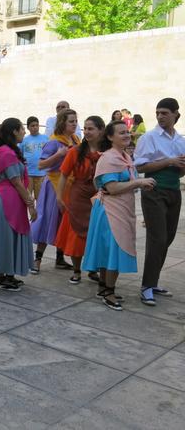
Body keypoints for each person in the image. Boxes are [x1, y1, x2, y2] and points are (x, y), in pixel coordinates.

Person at [82, 121, 156, 310]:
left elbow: (125, 183)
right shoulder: (109, 158)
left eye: (127, 132)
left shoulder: (124, 156)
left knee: (109, 249)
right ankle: (108, 291)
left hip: (120, 209)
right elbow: (112, 187)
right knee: (113, 249)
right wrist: (138, 183)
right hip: (110, 210)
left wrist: (139, 184)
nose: (126, 135)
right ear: (110, 137)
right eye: (121, 132)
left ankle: (103, 287)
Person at [134, 98, 185, 306]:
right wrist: (169, 161)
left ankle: (153, 282)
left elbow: (180, 172)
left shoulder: (180, 140)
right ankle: (147, 286)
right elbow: (140, 166)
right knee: (158, 238)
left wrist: (181, 167)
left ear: (176, 115)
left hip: (174, 191)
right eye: (158, 113)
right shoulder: (149, 137)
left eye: (164, 113)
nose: (160, 116)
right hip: (153, 190)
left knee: (168, 238)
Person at [0, 118, 36, 291]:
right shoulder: (6, 152)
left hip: (9, 198)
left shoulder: (7, 150)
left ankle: (6, 274)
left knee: (7, 237)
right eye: (22, 128)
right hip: (8, 199)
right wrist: (30, 204)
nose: (24, 132)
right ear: (14, 131)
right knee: (6, 238)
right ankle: (4, 276)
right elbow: (16, 182)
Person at [55, 116, 105, 284]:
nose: (87, 132)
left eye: (91, 128)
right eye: (85, 128)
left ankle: (93, 269)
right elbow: (63, 175)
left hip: (100, 197)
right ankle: (77, 270)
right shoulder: (75, 151)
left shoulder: (108, 152)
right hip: (78, 197)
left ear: (101, 130)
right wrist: (59, 197)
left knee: (97, 233)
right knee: (76, 234)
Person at [30, 108, 81, 273]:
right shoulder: (54, 142)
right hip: (53, 186)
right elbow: (41, 165)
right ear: (62, 123)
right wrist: (58, 155)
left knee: (62, 222)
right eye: (71, 121)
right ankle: (37, 259)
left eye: (75, 121)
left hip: (70, 186)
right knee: (47, 220)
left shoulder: (76, 140)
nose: (74, 124)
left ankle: (60, 258)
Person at [19, 116, 49, 200]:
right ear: (28, 127)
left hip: (41, 173)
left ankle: (38, 209)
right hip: (28, 173)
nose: (35, 127)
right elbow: (19, 154)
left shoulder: (46, 138)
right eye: (32, 126)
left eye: (37, 125)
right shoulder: (24, 140)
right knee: (27, 198)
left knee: (40, 199)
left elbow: (50, 154)